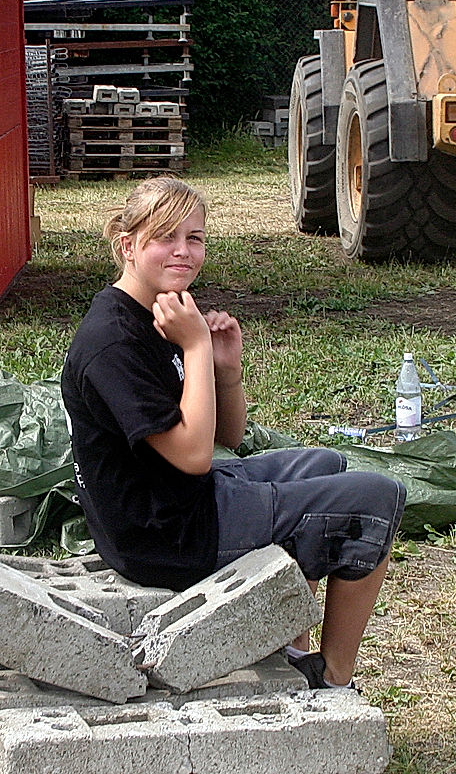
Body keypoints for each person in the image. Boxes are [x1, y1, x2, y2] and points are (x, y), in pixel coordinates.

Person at [61, 175, 406, 690]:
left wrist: (223, 368)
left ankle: (284, 648)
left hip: (178, 500)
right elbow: (197, 456)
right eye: (165, 236)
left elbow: (229, 434)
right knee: (377, 497)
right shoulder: (113, 340)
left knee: (323, 463)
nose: (183, 251)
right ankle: (332, 680)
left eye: (194, 237)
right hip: (165, 537)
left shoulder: (157, 310)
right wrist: (196, 346)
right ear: (128, 245)